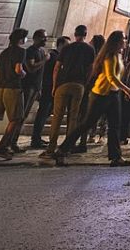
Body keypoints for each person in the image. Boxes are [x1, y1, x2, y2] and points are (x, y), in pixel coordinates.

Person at [56, 30, 130, 166]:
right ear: (116, 41)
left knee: (115, 126)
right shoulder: (109, 56)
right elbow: (111, 77)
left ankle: (116, 157)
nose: (125, 41)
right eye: (123, 39)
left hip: (114, 94)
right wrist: (127, 89)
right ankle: (62, 149)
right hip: (101, 94)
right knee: (87, 123)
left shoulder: (118, 56)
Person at [41, 24, 96, 159]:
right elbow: (91, 69)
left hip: (63, 84)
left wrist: (54, 85)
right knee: (73, 117)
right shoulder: (90, 49)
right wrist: (85, 82)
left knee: (57, 117)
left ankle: (51, 147)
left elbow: (57, 67)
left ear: (75, 34)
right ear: (85, 34)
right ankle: (67, 147)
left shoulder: (67, 48)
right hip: (78, 85)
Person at [0, 28, 28, 162]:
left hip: (0, 88)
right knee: (16, 118)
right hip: (13, 88)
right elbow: (18, 69)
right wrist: (23, 74)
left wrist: (5, 73)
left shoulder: (4, 52)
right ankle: (1, 147)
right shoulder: (21, 51)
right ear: (21, 39)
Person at [14, 29, 49, 152]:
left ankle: (13, 141)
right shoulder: (30, 51)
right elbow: (31, 68)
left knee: (24, 115)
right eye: (43, 37)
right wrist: (45, 60)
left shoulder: (41, 51)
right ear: (36, 38)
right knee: (21, 116)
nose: (46, 39)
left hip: (35, 87)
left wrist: (39, 88)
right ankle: (12, 142)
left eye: (46, 37)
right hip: (28, 87)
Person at [29, 36, 64, 150]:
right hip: (48, 88)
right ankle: (35, 139)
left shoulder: (54, 55)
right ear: (60, 45)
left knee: (46, 112)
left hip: (51, 88)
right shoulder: (53, 55)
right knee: (43, 112)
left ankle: (37, 138)